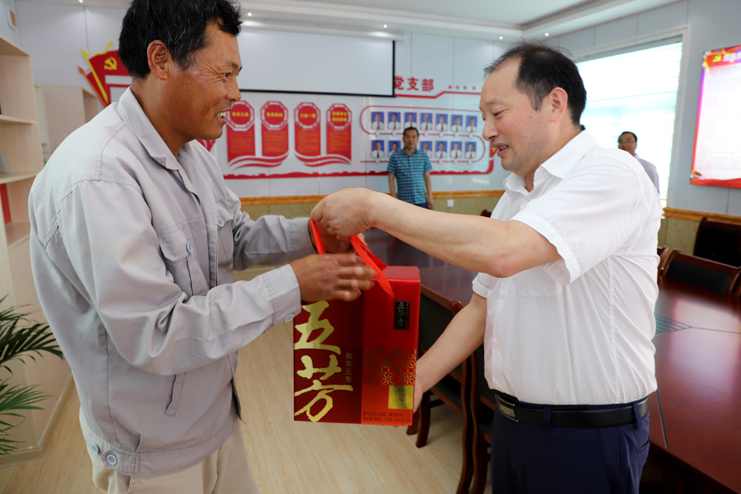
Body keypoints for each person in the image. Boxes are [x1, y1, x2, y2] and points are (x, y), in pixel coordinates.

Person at [27, 1, 376, 493]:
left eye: (237, 76)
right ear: (161, 60)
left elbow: (233, 237)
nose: (236, 94)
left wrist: (313, 233)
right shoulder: (100, 175)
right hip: (151, 452)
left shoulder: (193, 154)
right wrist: (293, 285)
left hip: (214, 416)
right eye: (224, 74)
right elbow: (156, 334)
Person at [312, 42, 661, 494]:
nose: (486, 131)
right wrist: (411, 385)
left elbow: (506, 251)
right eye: (483, 116)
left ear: (554, 104)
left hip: (586, 435)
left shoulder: (613, 172)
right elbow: (482, 307)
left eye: (497, 114)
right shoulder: (518, 192)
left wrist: (373, 207)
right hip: (513, 424)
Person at [387, 127, 433, 209]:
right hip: (403, 201)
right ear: (403, 139)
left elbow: (427, 177)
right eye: (408, 137)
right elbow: (391, 178)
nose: (411, 140)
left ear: (417, 139)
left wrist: (430, 197)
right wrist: (394, 198)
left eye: (414, 137)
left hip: (421, 200)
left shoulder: (423, 155)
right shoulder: (395, 156)